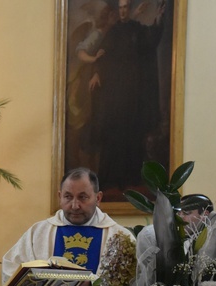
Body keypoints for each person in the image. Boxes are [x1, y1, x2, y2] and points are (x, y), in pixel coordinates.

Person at [2, 167, 133, 286]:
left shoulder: (119, 237)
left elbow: (132, 283)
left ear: (98, 198)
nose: (75, 206)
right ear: (60, 197)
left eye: (82, 197)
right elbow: (11, 268)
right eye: (68, 197)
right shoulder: (38, 233)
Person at [88, 0, 166, 196]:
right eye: (120, 8)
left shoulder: (137, 29)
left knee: (131, 134)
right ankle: (110, 178)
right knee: (113, 134)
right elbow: (102, 55)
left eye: (125, 8)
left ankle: (130, 178)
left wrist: (158, 20)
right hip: (114, 93)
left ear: (129, 10)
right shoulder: (113, 32)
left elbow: (150, 43)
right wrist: (97, 72)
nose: (123, 11)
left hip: (132, 93)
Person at [178, 193, 216, 265]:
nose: (180, 218)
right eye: (178, 214)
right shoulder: (178, 243)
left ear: (205, 214)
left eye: (186, 213)